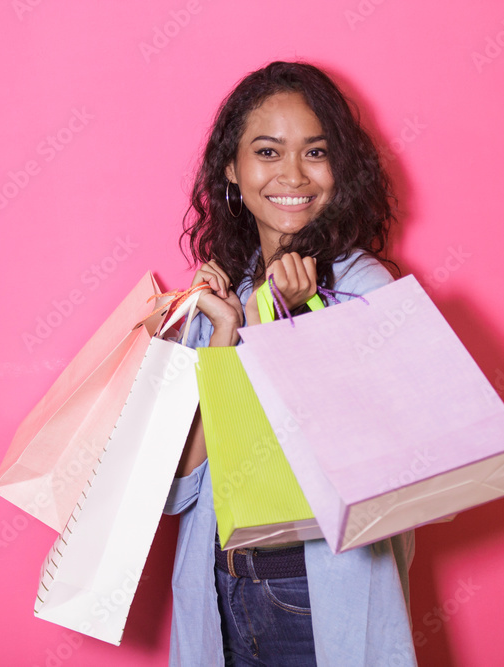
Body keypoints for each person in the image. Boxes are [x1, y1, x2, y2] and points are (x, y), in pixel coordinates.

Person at [163, 60, 417, 667]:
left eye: (316, 151)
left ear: (339, 166)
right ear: (233, 168)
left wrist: (305, 319)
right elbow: (179, 490)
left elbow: (393, 474)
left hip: (315, 590)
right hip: (221, 585)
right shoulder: (222, 295)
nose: (293, 175)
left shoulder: (367, 290)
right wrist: (224, 337)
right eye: (268, 151)